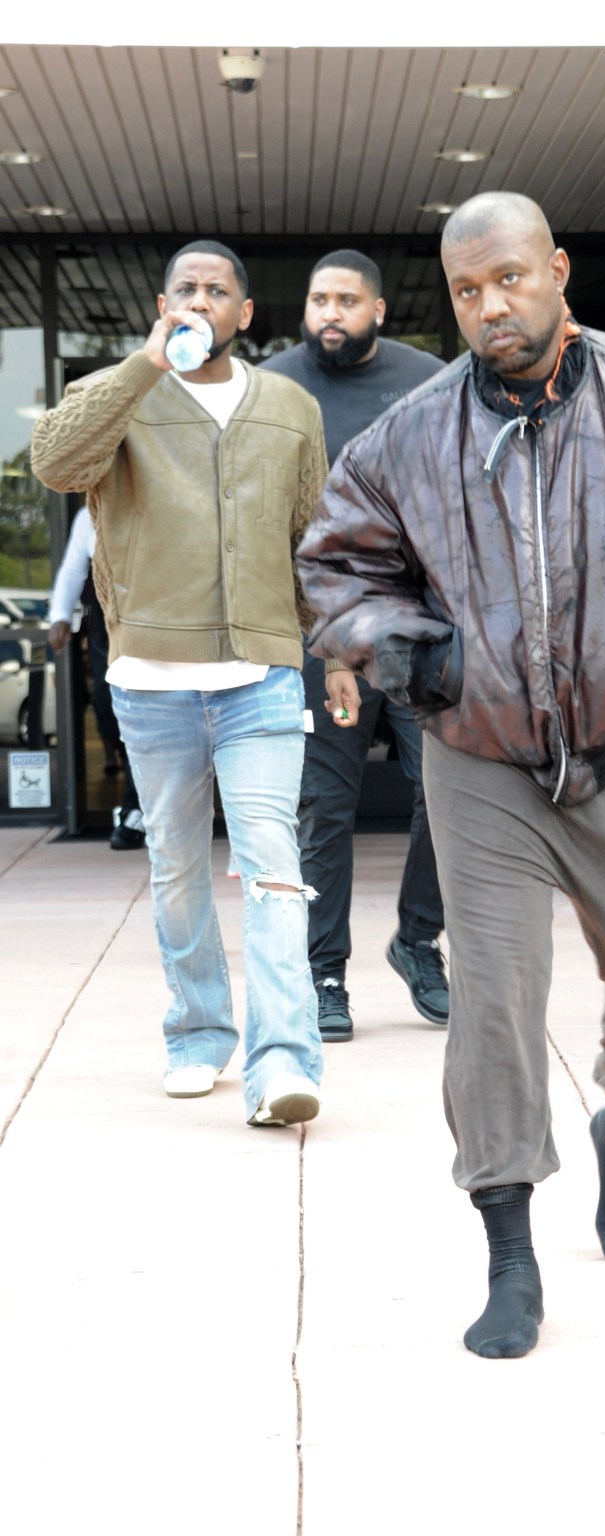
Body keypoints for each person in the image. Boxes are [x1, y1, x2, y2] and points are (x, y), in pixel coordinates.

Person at [298, 191, 605, 1358]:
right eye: (468, 291)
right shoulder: (406, 439)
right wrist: (419, 657)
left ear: (558, 271)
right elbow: (336, 569)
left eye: (511, 280)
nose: (492, 307)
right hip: (480, 757)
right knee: (491, 1004)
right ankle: (510, 1247)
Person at [31, 240, 326, 1126]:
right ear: (165, 306)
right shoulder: (120, 392)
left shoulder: (290, 406)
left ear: (244, 313)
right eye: (186, 289)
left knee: (272, 867)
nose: (201, 300)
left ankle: (283, 1064)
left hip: (262, 677)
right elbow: (55, 462)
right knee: (178, 872)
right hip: (151, 681)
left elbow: (312, 537)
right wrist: (146, 365)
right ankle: (198, 1035)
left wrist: (339, 653)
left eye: (218, 290)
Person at [261, 251, 448, 1043]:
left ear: (377, 309)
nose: (328, 312)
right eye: (317, 299)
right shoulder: (272, 387)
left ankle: (417, 941)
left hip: (416, 625)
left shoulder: (430, 378)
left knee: (444, 789)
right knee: (325, 809)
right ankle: (323, 971)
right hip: (319, 631)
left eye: (345, 300)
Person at [48, 504, 146, 850]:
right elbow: (73, 568)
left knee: (146, 714)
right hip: (108, 626)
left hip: (155, 620)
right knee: (109, 715)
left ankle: (137, 810)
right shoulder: (89, 515)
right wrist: (60, 615)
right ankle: (141, 799)